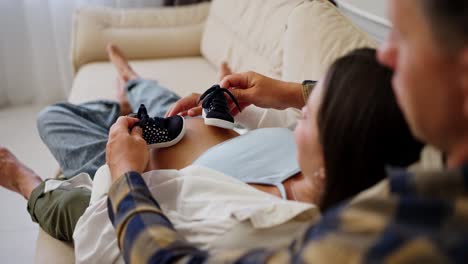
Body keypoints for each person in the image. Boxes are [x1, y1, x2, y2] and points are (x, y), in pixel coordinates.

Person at [104, 0, 468, 263]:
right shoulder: (423, 155)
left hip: (142, 176)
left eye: (402, 38)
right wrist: (291, 93)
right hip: (182, 134)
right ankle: (130, 83)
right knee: (155, 103)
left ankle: (46, 187)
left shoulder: (372, 236)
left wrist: (125, 176)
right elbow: (375, 104)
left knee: (63, 130)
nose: (384, 55)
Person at [0, 44, 422, 244]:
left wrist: (123, 172)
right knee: (168, 99)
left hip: (133, 174)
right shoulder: (332, 153)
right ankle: (130, 82)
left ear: (328, 164)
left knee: (51, 117)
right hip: (189, 130)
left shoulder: (259, 227)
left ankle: (23, 179)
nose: (300, 114)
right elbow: (275, 122)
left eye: (309, 114)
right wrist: (238, 104)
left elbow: (122, 245)